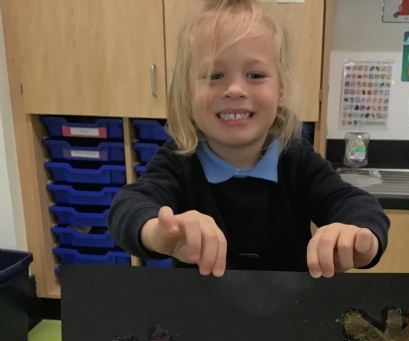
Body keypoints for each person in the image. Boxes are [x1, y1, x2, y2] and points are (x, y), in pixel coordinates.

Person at [108, 0, 390, 279]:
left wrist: (358, 236)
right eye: (215, 75)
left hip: (289, 305)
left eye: (255, 75)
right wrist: (157, 232)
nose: (235, 89)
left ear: (281, 89)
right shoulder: (178, 161)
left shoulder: (296, 159)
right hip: (202, 306)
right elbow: (127, 207)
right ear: (187, 92)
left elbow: (355, 205)